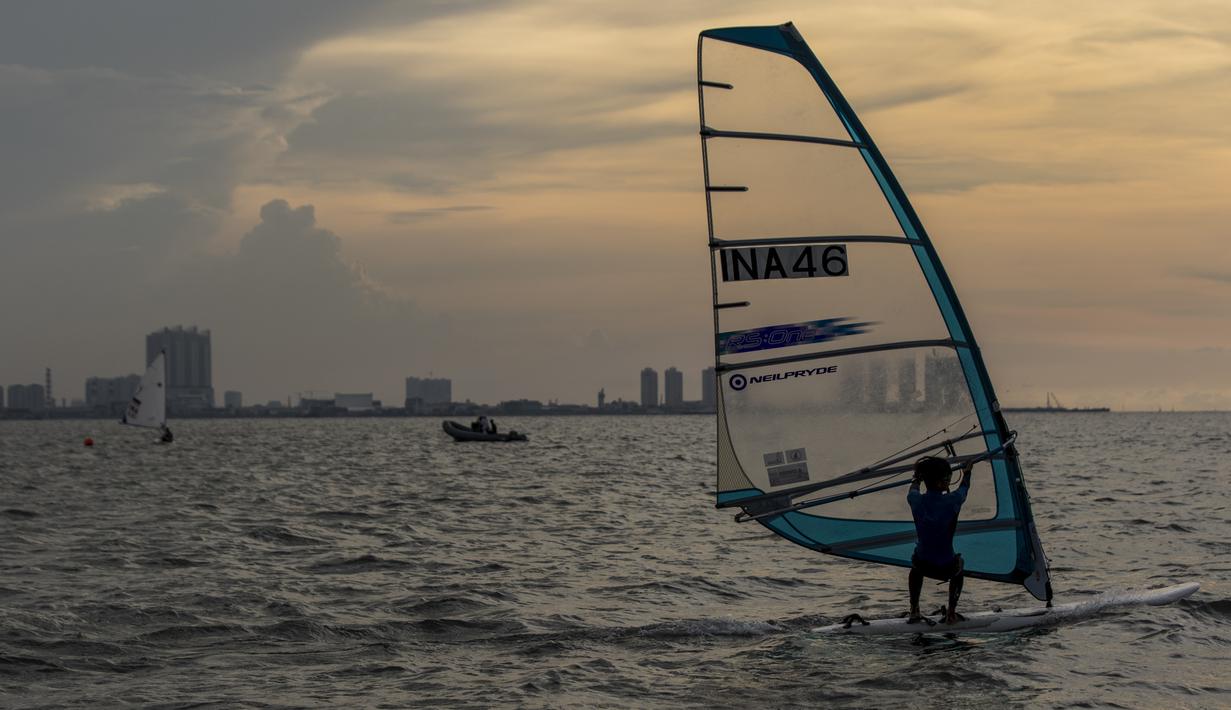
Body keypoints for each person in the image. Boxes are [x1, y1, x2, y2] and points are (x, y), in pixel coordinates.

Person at [906, 455, 973, 624]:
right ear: (939, 483)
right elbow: (964, 490)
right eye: (948, 479)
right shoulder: (953, 501)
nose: (950, 481)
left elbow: (912, 490)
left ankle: (914, 609)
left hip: (922, 565)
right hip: (947, 567)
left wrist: (916, 480)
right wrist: (967, 473)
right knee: (960, 564)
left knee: (915, 566)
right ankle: (951, 612)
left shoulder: (915, 500)